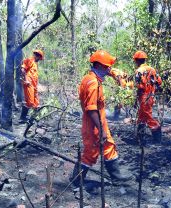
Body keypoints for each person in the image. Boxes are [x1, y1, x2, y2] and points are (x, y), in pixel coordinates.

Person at [70, 50, 132, 184]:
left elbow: (109, 72)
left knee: (109, 146)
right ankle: (76, 180)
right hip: (94, 125)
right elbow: (91, 109)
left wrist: (114, 73)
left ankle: (116, 176)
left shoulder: (90, 78)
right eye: (106, 66)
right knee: (90, 153)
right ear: (98, 66)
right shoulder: (93, 83)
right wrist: (101, 130)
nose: (109, 68)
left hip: (99, 123)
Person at [133, 51, 163, 143]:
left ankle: (157, 136)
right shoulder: (152, 69)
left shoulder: (138, 71)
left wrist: (137, 99)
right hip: (151, 95)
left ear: (137, 61)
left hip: (144, 97)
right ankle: (140, 139)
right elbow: (159, 82)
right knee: (141, 117)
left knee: (147, 116)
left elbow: (139, 87)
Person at [20, 49, 44, 123]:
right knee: (30, 102)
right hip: (28, 84)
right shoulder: (29, 60)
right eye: (40, 58)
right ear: (37, 56)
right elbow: (22, 70)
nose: (40, 60)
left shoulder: (35, 63)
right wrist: (26, 80)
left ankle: (34, 118)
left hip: (34, 85)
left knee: (36, 103)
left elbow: (34, 76)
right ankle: (23, 117)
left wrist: (37, 85)